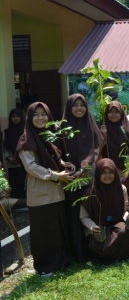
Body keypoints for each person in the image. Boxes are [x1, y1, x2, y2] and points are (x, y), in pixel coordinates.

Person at [17, 102, 73, 277]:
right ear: (30, 117)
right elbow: (31, 167)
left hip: (57, 191)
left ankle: (60, 261)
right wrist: (57, 175)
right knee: (44, 231)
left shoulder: (49, 136)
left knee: (57, 229)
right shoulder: (26, 139)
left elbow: (53, 157)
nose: (40, 118)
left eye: (44, 114)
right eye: (36, 114)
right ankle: (45, 266)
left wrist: (63, 163)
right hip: (40, 193)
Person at [61, 94, 103, 262]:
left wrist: (83, 167)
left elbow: (95, 150)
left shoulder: (90, 126)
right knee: (72, 215)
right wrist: (66, 166)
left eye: (82, 105)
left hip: (87, 177)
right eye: (75, 105)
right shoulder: (61, 129)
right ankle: (75, 253)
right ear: (69, 107)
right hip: (69, 179)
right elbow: (57, 152)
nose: (79, 108)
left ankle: (92, 249)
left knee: (89, 212)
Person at [80, 158, 129, 262]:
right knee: (103, 245)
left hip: (116, 223)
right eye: (104, 173)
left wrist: (128, 217)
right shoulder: (90, 193)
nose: (108, 176)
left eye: (111, 172)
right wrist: (93, 227)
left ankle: (113, 253)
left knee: (124, 231)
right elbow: (83, 216)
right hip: (98, 227)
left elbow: (124, 211)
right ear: (98, 174)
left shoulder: (121, 189)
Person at [98, 101, 129, 174]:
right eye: (111, 112)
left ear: (121, 113)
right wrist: (103, 137)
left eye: (116, 112)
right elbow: (96, 152)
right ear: (106, 113)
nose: (113, 114)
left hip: (123, 170)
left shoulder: (125, 129)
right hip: (105, 169)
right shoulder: (102, 128)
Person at [3, 108, 27, 199]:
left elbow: (26, 146)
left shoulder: (25, 132)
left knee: (23, 182)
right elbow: (5, 146)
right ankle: (16, 204)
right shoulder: (7, 132)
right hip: (11, 162)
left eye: (17, 116)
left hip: (22, 162)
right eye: (13, 117)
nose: (15, 118)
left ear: (21, 117)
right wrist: (9, 157)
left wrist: (19, 157)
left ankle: (25, 203)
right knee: (13, 183)